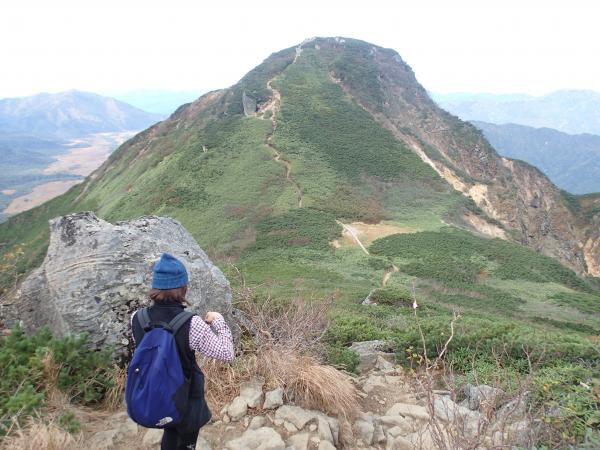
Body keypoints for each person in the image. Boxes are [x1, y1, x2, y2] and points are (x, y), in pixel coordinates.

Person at [130, 253, 234, 450]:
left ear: (155, 286)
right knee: (184, 441)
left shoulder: (137, 318)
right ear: (183, 287)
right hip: (185, 399)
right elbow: (226, 353)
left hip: (155, 394)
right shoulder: (191, 323)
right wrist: (219, 321)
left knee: (170, 435)